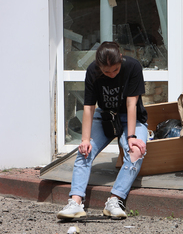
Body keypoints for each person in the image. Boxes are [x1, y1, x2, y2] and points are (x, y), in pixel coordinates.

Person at [57, 42, 148, 220]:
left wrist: (131, 136)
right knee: (85, 150)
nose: (112, 74)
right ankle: (75, 202)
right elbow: (89, 107)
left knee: (136, 151)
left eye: (115, 70)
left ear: (121, 59)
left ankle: (115, 200)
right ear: (99, 66)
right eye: (107, 72)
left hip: (132, 118)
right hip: (104, 117)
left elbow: (132, 104)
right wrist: (84, 139)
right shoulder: (92, 71)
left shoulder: (133, 67)